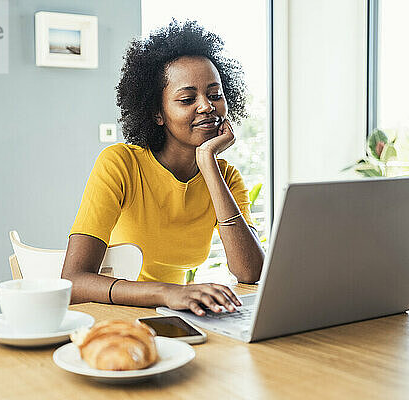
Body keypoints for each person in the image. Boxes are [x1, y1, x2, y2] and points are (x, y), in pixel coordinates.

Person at [62, 20, 265, 317]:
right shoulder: (120, 164)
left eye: (214, 94)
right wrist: (168, 292)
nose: (207, 106)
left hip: (174, 317)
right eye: (187, 99)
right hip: (115, 318)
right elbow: (73, 280)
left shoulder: (226, 178)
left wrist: (207, 162)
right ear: (157, 112)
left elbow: (250, 272)